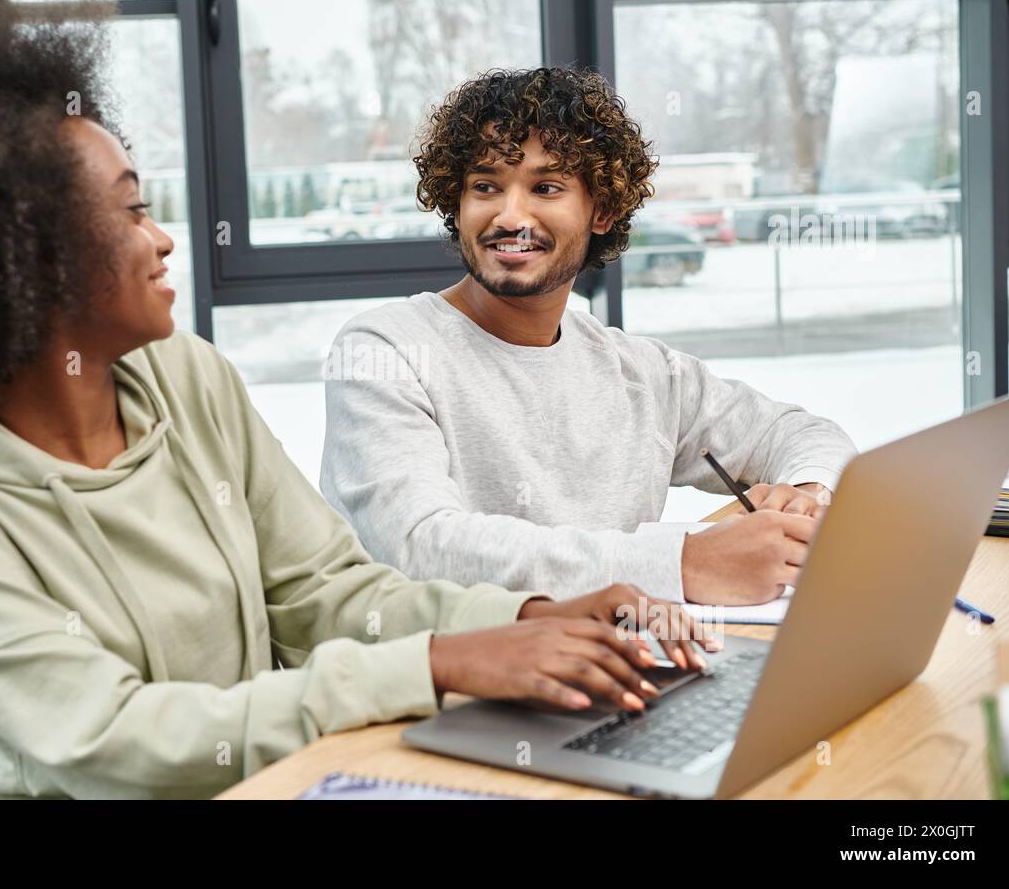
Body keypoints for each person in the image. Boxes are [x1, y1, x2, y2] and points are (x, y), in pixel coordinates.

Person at [0, 0, 713, 799]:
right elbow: (110, 740)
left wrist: (524, 617)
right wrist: (436, 661)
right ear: (18, 258)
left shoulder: (184, 379)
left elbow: (324, 590)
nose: (163, 239)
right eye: (126, 213)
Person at [320, 67, 857, 606]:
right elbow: (420, 547)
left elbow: (799, 434)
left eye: (545, 188)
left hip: (616, 664)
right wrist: (685, 562)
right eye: (485, 186)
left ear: (601, 210)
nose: (510, 216)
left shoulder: (640, 372)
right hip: (451, 684)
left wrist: (806, 495)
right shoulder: (384, 351)